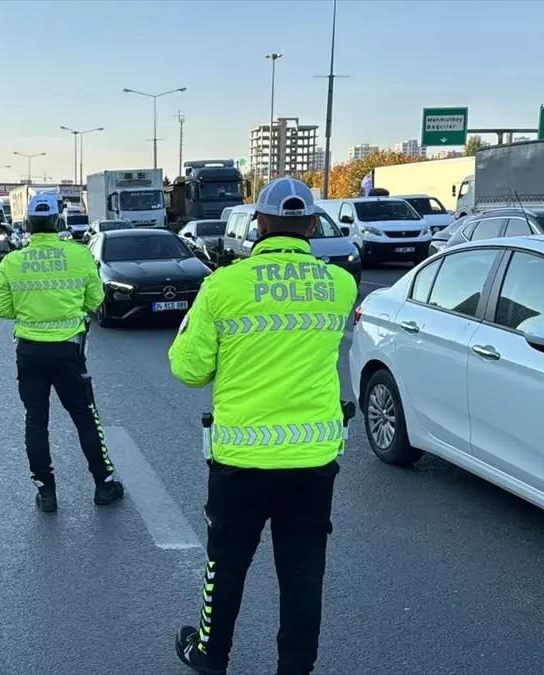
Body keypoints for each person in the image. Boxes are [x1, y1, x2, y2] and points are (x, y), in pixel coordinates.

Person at [168, 177, 358, 675]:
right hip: (313, 462)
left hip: (240, 464)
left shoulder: (222, 286)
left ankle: (211, 658)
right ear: (314, 225)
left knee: (225, 568)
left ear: (260, 225)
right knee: (302, 573)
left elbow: (189, 370)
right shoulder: (340, 285)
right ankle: (295, 669)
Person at [0, 193, 125, 512]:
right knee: (84, 416)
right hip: (68, 351)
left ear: (28, 224)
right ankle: (103, 485)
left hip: (29, 353)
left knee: (36, 420)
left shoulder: (13, 261)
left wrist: (31, 314)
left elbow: (1, 308)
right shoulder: (78, 255)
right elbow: (95, 301)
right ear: (57, 221)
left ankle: (46, 493)